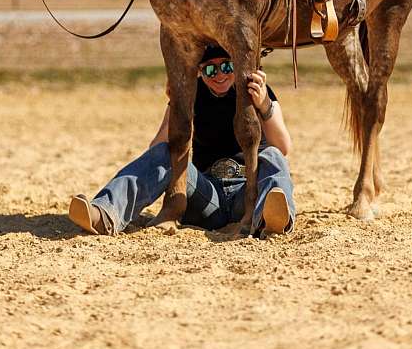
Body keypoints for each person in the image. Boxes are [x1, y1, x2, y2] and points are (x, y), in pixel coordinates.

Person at [68, 45, 295, 237]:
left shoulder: (257, 92)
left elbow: (283, 148)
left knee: (272, 155)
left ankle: (271, 221)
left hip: (248, 192)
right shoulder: (194, 95)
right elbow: (157, 149)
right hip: (207, 195)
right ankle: (105, 214)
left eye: (227, 66)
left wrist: (264, 105)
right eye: (209, 69)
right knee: (168, 152)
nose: (219, 75)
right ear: (199, 72)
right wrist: (175, 105)